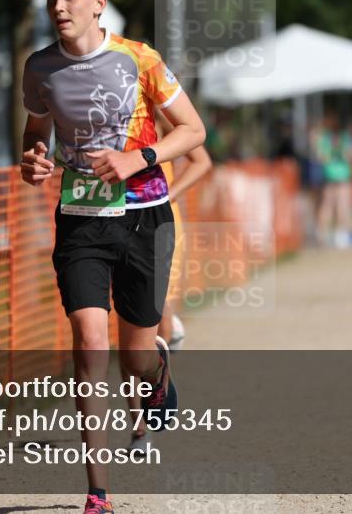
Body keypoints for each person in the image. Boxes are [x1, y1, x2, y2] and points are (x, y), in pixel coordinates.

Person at [20, 0, 206, 514]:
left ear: (98, 2)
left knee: (135, 361)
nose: (59, 6)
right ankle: (98, 490)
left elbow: (193, 133)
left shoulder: (140, 59)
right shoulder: (40, 67)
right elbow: (35, 135)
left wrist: (139, 159)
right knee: (88, 343)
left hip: (144, 217)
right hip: (79, 220)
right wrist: (32, 159)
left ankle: (156, 370)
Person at [124, 109, 211, 456]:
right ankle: (139, 429)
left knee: (155, 328)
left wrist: (170, 194)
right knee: (127, 335)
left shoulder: (161, 115)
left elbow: (201, 161)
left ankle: (168, 345)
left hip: (160, 226)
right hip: (116, 225)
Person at [313, 112, 352, 248]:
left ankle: (327, 234)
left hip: (334, 176)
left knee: (331, 206)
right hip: (336, 176)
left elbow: (320, 156)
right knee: (335, 206)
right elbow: (350, 155)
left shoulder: (330, 139)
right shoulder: (336, 138)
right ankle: (334, 234)